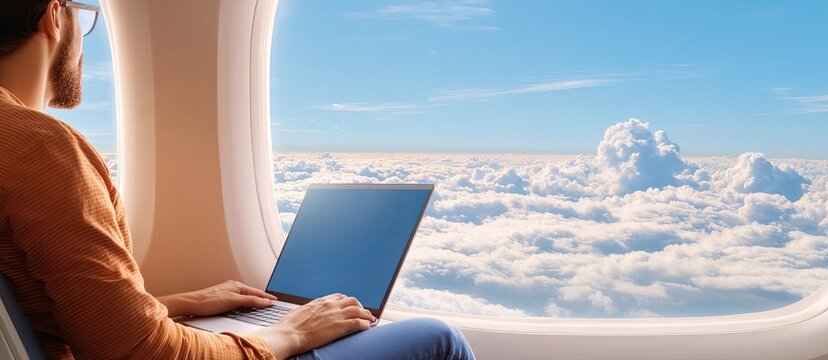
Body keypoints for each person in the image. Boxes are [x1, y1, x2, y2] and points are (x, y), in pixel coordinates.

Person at [0, 1, 476, 359]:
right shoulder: (39, 145)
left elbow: (52, 316)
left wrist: (173, 303)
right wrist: (290, 332)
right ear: (53, 15)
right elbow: (141, 354)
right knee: (438, 338)